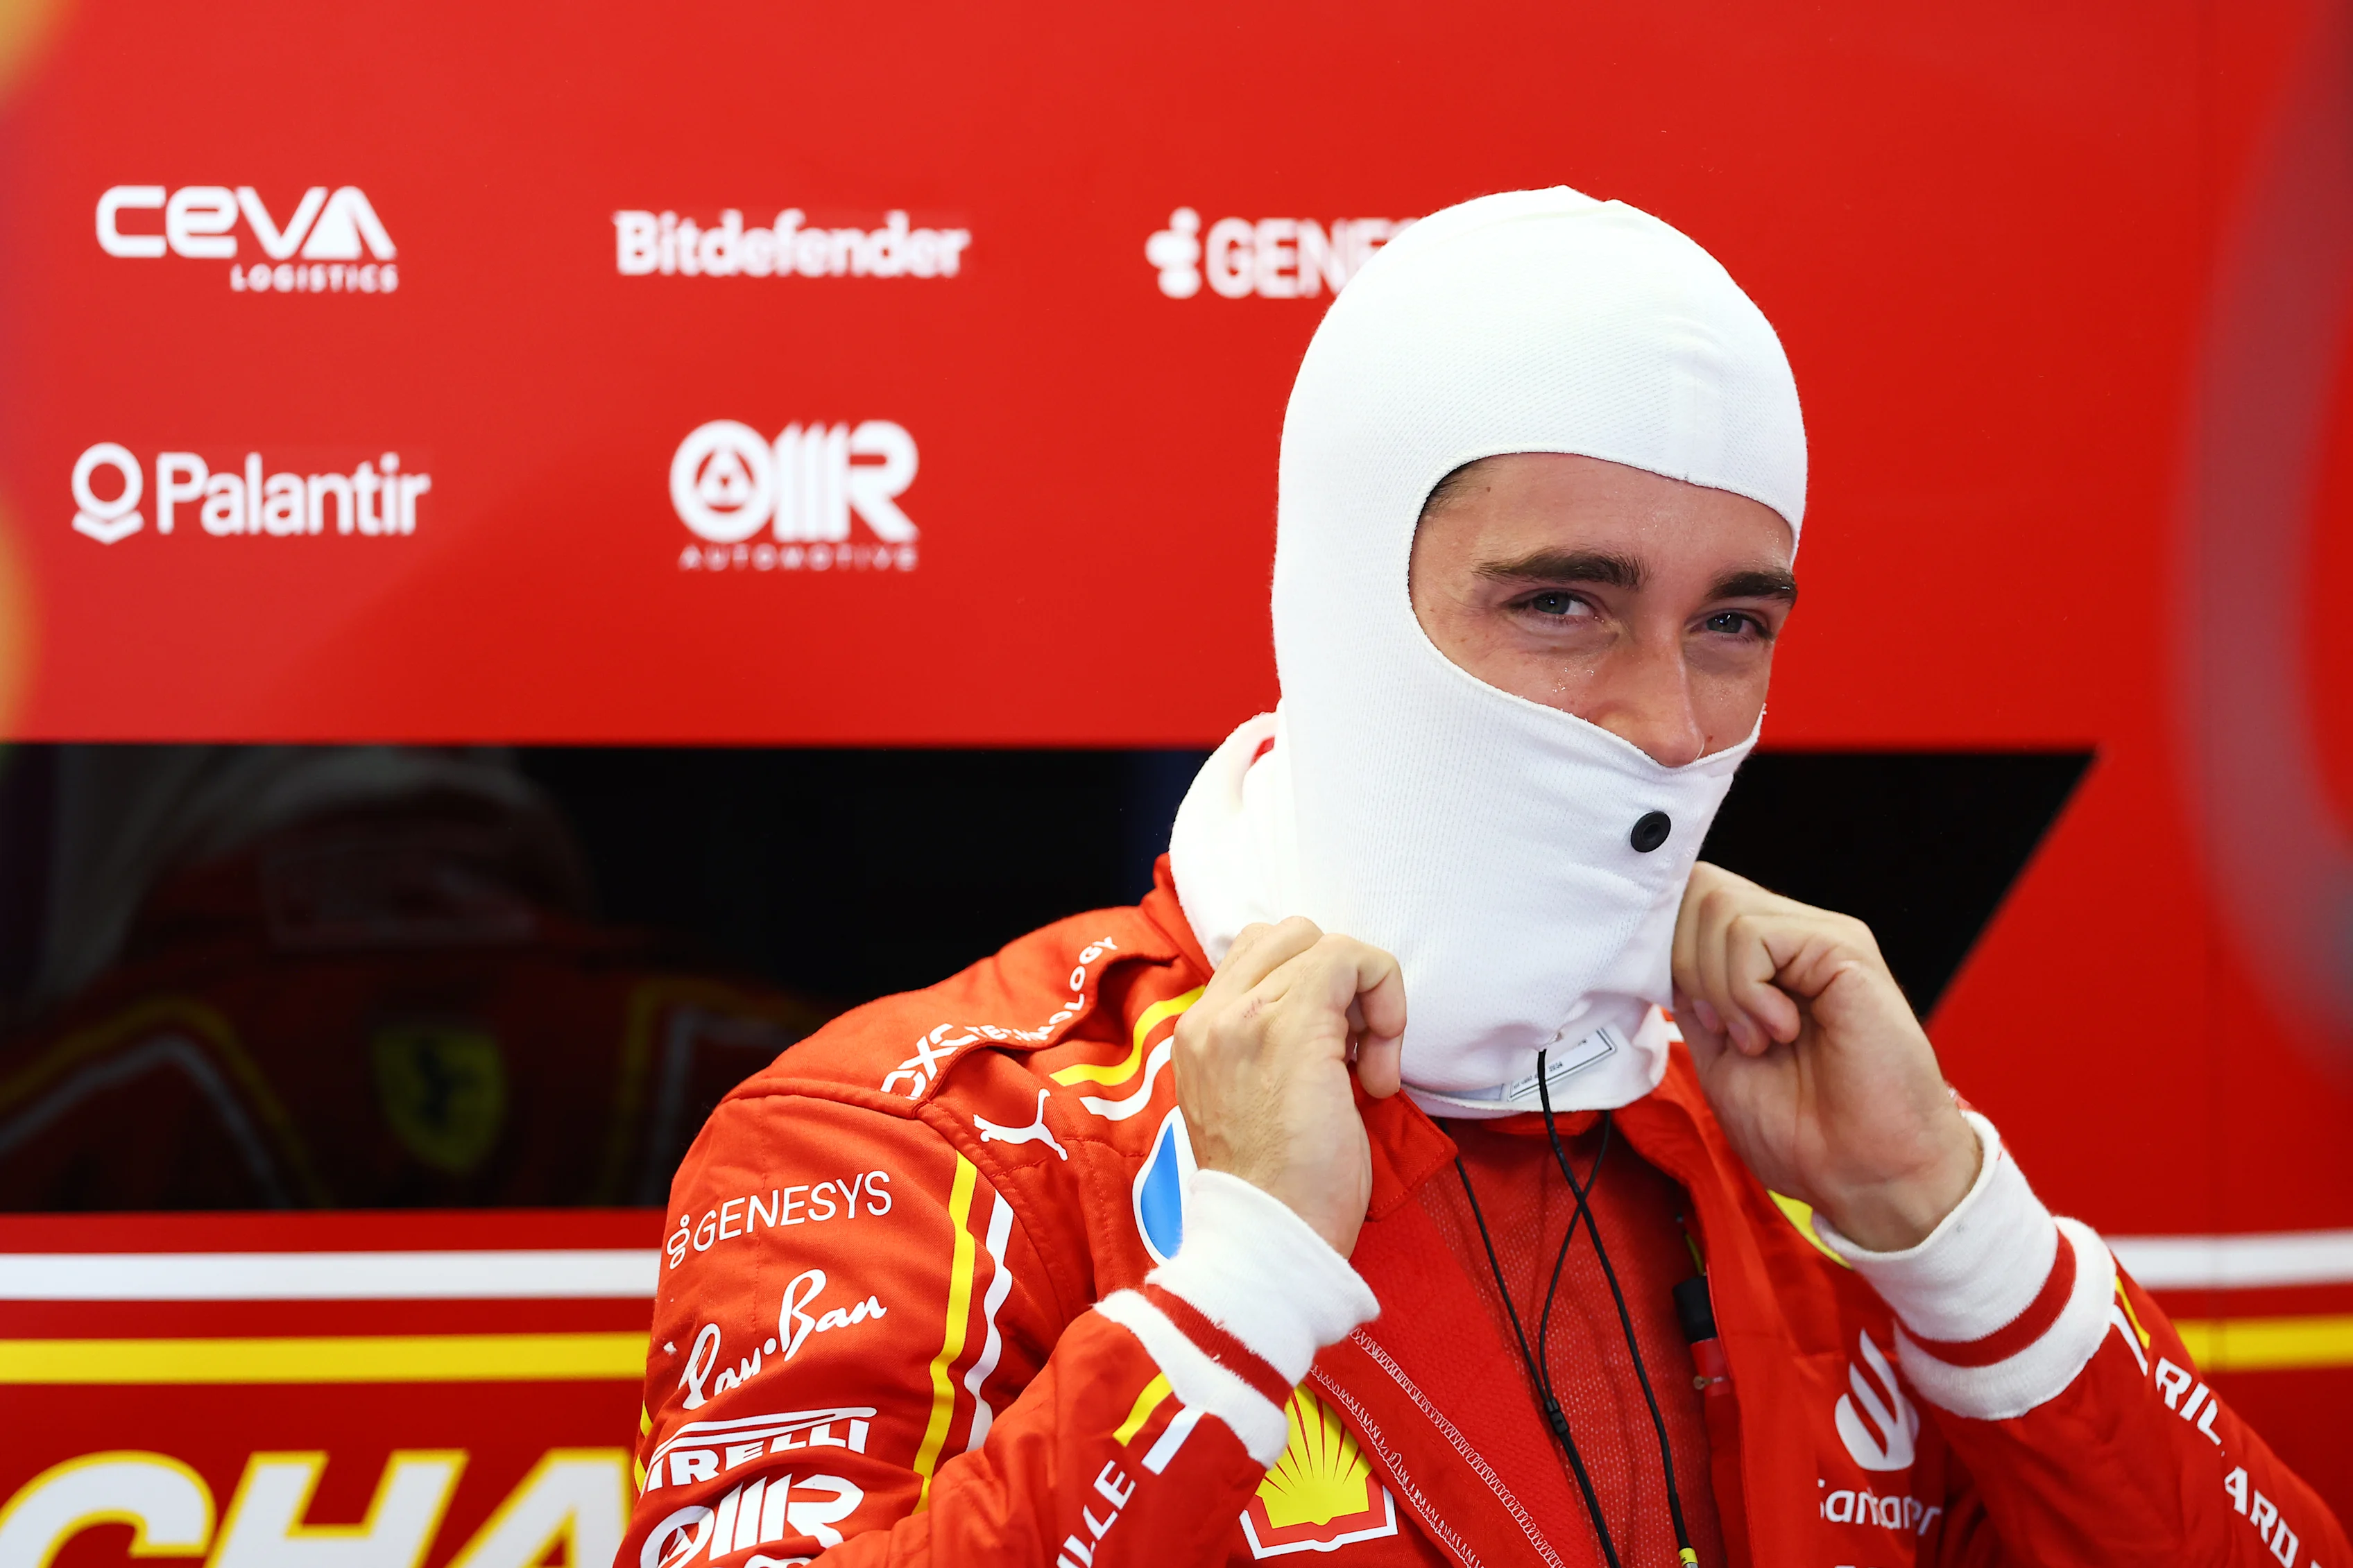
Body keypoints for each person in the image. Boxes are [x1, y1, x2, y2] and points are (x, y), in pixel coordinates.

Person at [619, 189, 2345, 1566]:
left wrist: (1954, 1228)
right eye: (1562, 602)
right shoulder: (923, 1141)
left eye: (1731, 621)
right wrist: (1231, 1297)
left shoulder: (1810, 1167)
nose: (1668, 721)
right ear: (1346, 601)